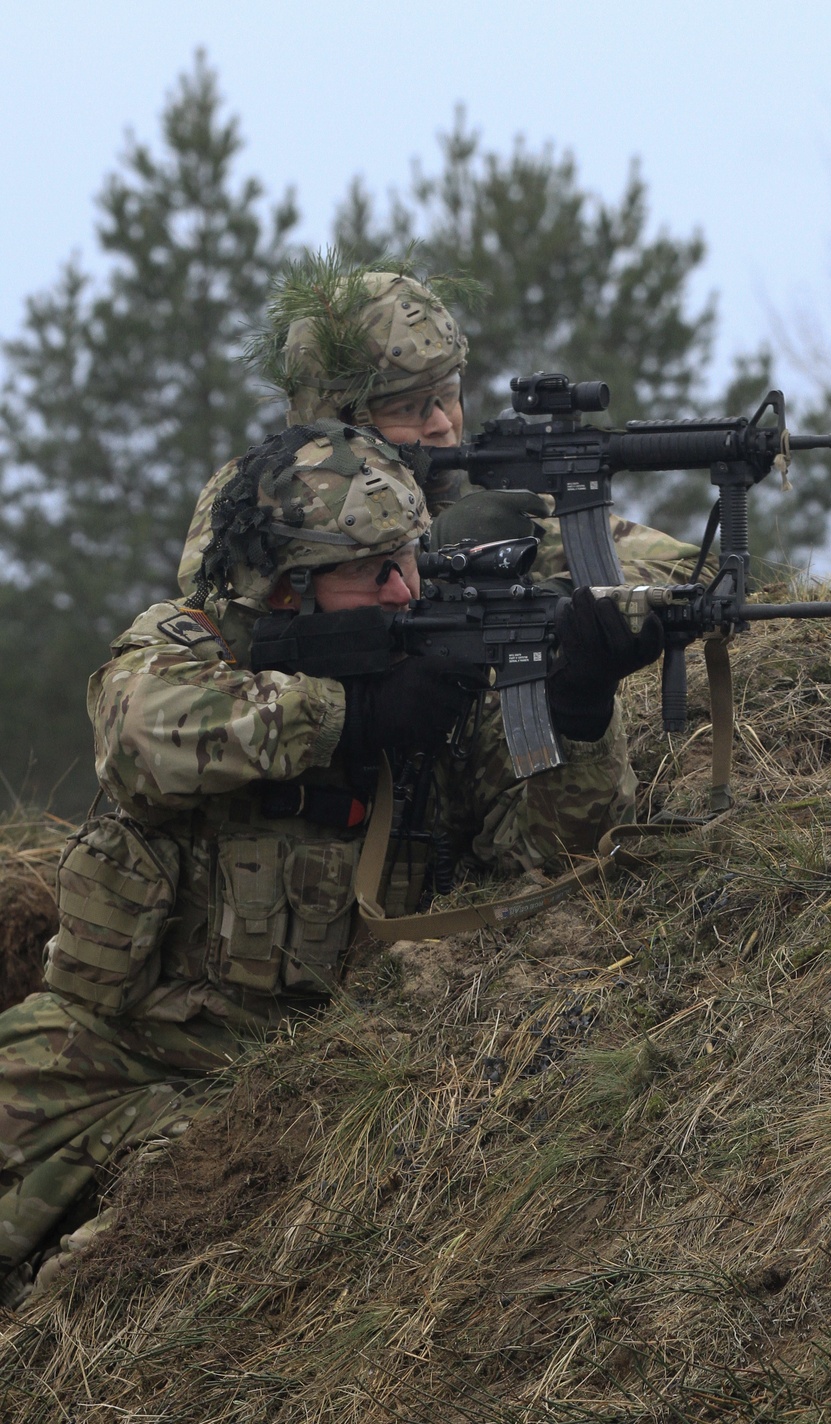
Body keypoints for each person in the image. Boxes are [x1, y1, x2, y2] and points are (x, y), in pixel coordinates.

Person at [0, 417, 660, 1304]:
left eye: (411, 560)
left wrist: (580, 714)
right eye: (372, 571)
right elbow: (139, 735)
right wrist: (351, 719)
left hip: (286, 1088)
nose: (404, 590)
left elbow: (545, 856)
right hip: (105, 1040)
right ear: (285, 593)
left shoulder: (448, 674)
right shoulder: (188, 644)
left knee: (105, 1292)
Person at [177, 255, 705, 598]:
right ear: (339, 423)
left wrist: (554, 594)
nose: (441, 426)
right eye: (406, 409)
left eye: (447, 398)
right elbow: (231, 610)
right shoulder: (260, 496)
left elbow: (696, 570)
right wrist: (430, 555)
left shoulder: (490, 511)